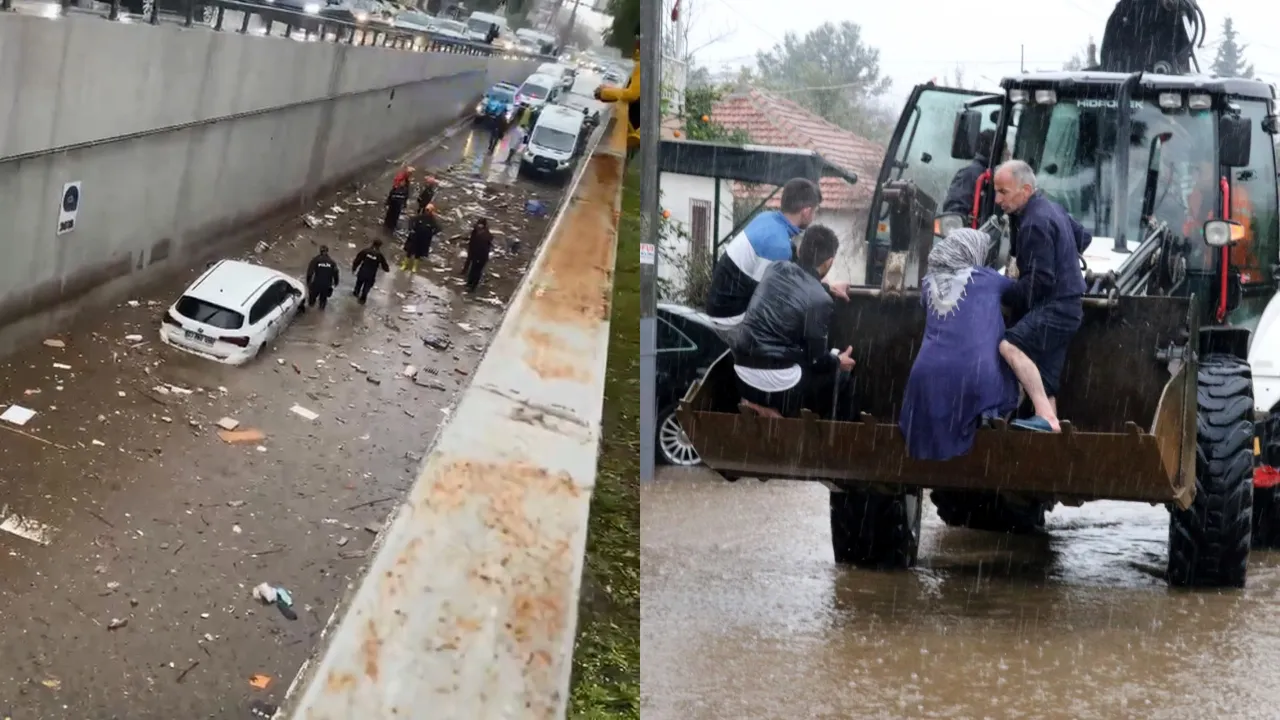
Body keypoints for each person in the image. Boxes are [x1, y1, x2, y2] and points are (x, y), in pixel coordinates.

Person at [899, 228, 1021, 460]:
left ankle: (932, 454)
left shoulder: (928, 284)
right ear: (972, 252)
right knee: (1004, 363)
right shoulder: (988, 278)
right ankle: (987, 414)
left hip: (925, 378)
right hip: (976, 376)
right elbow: (1020, 292)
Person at [993, 160, 1092, 433]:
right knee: (1045, 383)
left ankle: (1047, 418)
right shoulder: (1052, 209)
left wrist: (1000, 289)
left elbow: (1040, 283)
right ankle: (1050, 446)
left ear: (1025, 190)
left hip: (1056, 307)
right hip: (1071, 307)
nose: (997, 199)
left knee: (1009, 346)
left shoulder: (1033, 224)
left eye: (1003, 192)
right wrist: (1065, 254)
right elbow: (1083, 237)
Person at [728, 225, 857, 418]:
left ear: (798, 250)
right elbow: (817, 359)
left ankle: (756, 404)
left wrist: (826, 287)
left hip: (742, 375)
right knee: (842, 376)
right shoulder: (820, 300)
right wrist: (839, 361)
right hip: (780, 388)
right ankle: (812, 430)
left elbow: (796, 284)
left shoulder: (775, 268)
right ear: (830, 262)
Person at [706, 178, 847, 322]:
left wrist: (826, 286)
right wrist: (823, 291)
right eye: (814, 212)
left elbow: (798, 271)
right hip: (729, 319)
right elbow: (774, 300)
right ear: (806, 212)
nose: (813, 217)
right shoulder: (777, 246)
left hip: (719, 307)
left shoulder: (768, 219)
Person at [942, 129, 997, 220]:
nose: (1008, 154)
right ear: (992, 149)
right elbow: (954, 214)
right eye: (1005, 149)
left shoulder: (994, 176)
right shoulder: (971, 174)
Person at [401, 204, 441, 273]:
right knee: (409, 250)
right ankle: (405, 264)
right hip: (415, 236)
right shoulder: (420, 216)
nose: (427, 211)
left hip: (423, 239)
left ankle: (415, 266)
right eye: (426, 210)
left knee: (418, 253)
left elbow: (438, 228)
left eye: (428, 210)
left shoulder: (432, 220)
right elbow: (411, 220)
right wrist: (411, 229)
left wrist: (431, 234)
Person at [351, 239, 390, 305]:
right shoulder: (379, 255)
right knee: (367, 286)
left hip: (362, 271)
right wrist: (386, 269)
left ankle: (356, 293)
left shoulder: (366, 251)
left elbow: (358, 259)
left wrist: (354, 268)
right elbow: (384, 265)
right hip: (371, 274)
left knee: (359, 283)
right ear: (380, 246)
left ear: (373, 243)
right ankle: (363, 298)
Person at [461, 218, 493, 293]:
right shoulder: (476, 231)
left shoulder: (485, 236)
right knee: (473, 270)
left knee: (477, 271)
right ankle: (469, 284)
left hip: (481, 257)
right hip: (475, 254)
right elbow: (473, 241)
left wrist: (479, 256)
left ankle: (472, 287)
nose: (479, 226)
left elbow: (484, 248)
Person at [305, 245, 340, 310]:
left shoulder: (315, 260)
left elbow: (310, 272)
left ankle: (309, 315)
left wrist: (308, 283)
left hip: (317, 284)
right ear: (327, 251)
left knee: (311, 301)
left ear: (320, 251)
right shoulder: (332, 262)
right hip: (326, 285)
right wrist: (336, 282)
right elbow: (336, 273)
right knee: (323, 302)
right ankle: (320, 315)